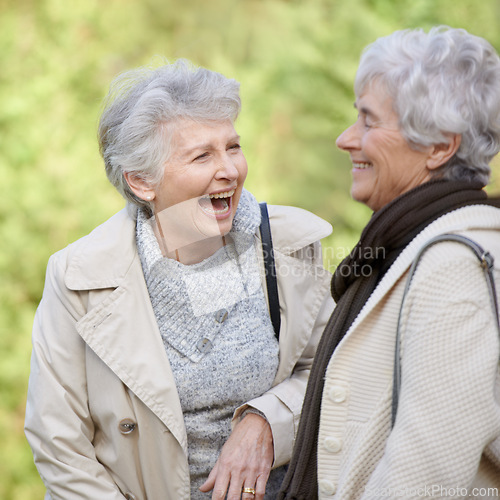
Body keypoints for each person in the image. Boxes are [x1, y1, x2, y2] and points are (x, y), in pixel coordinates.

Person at [24, 59, 334, 500]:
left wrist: (267, 421)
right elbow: (59, 442)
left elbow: (333, 377)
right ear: (142, 182)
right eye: (202, 155)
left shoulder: (285, 246)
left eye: (233, 147)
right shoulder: (79, 278)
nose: (229, 169)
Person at [279, 26, 500, 499]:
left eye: (368, 121)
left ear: (440, 145)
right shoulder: (411, 244)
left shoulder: (452, 266)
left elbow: (425, 475)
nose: (345, 139)